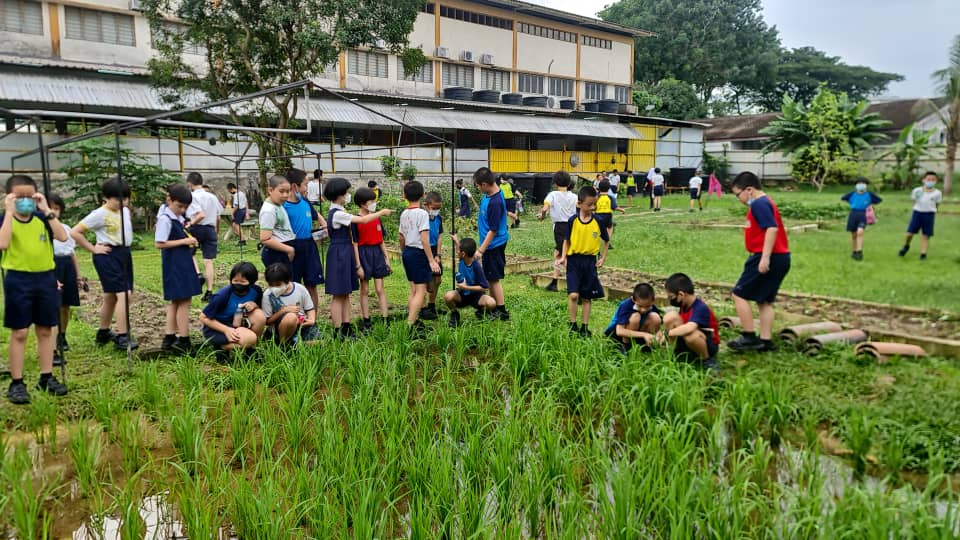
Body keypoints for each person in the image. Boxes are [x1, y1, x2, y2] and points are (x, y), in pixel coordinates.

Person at [1, 175, 69, 404]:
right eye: (18, 197)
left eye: (29, 196)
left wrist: (47, 209)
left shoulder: (42, 218)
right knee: (20, 332)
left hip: (45, 278)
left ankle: (46, 377)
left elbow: (62, 236)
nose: (25, 201)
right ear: (9, 197)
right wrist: (9, 212)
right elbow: (3, 244)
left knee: (46, 330)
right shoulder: (5, 219)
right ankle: (17, 382)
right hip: (18, 280)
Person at [71, 178, 137, 350]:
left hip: (124, 253)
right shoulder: (99, 214)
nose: (122, 202)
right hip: (108, 255)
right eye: (117, 198)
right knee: (124, 294)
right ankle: (123, 336)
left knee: (110, 297)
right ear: (106, 198)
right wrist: (93, 248)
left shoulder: (125, 211)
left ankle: (103, 331)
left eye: (125, 198)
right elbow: (75, 232)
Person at [728, 171, 790, 352]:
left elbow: (771, 228)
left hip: (766, 256)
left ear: (749, 190)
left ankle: (749, 337)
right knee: (764, 300)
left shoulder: (759, 204)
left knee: (738, 294)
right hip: (781, 256)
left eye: (738, 194)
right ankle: (766, 340)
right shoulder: (766, 202)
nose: (738, 199)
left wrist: (764, 257)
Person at [324, 177, 392, 338]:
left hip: (345, 251)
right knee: (338, 294)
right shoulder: (337, 213)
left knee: (345, 292)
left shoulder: (340, 211)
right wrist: (382, 212)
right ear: (339, 194)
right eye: (346, 192)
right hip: (340, 253)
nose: (347, 195)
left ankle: (346, 326)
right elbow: (362, 220)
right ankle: (338, 330)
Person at [155, 184, 202, 353]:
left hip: (180, 261)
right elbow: (159, 243)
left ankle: (169, 336)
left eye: (185, 207)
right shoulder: (165, 219)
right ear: (169, 200)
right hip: (176, 264)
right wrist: (184, 241)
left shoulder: (175, 218)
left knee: (176, 300)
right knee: (184, 300)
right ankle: (183, 339)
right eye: (179, 206)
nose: (182, 210)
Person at [558, 185, 608, 337]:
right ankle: (572, 324)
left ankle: (584, 328)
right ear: (579, 204)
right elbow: (566, 240)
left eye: (595, 204)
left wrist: (602, 258)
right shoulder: (572, 221)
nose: (592, 207)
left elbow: (606, 240)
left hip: (589, 262)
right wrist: (563, 256)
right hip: (574, 261)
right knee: (573, 295)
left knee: (587, 297)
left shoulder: (598, 221)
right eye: (589, 204)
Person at [199, 261, 266, 362]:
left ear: (252, 282)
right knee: (251, 338)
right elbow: (203, 317)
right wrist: (226, 330)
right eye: (235, 281)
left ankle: (250, 351)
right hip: (217, 328)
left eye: (243, 282)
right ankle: (222, 348)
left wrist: (254, 305)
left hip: (237, 321)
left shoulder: (256, 291)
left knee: (259, 315)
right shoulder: (223, 295)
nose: (238, 284)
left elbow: (259, 309)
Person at [399, 180, 441, 331]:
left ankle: (414, 321)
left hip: (408, 252)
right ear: (423, 195)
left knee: (414, 290)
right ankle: (410, 325)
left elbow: (401, 237)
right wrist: (431, 260)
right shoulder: (422, 214)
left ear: (404, 195)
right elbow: (424, 239)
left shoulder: (404, 213)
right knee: (421, 291)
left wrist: (404, 252)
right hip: (418, 253)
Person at [284, 168, 326, 310]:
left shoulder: (305, 201)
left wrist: (324, 225)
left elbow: (316, 215)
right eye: (305, 185)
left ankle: (313, 318)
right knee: (293, 285)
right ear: (295, 186)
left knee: (312, 284)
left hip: (309, 245)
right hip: (292, 247)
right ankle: (296, 317)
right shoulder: (283, 206)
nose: (306, 188)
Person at [47, 194, 83, 363]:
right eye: (50, 208)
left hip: (66, 265)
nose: (53, 212)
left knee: (65, 305)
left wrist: (78, 275)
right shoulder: (41, 230)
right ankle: (51, 342)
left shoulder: (66, 229)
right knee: (53, 305)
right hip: (50, 265)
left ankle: (62, 336)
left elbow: (72, 253)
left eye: (56, 208)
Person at [662, 272, 720, 371]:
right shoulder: (684, 305)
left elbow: (690, 327)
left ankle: (707, 360)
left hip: (707, 344)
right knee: (670, 317)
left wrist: (668, 334)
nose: (670, 300)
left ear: (681, 294)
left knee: (691, 335)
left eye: (671, 297)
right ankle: (673, 353)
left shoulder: (700, 307)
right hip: (689, 341)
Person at [353, 187, 391, 331]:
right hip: (363, 254)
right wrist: (358, 265)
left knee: (380, 288)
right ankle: (366, 320)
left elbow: (381, 240)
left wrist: (386, 258)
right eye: (371, 201)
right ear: (363, 204)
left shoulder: (376, 218)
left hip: (377, 254)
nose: (374, 204)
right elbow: (355, 244)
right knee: (365, 289)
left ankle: (385, 318)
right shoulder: (355, 220)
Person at [475, 167, 510, 320]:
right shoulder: (489, 194)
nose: (477, 187)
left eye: (477, 185)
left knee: (493, 279)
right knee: (490, 277)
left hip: (493, 245)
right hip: (490, 244)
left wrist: (481, 250)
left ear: (484, 184)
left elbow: (493, 229)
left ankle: (501, 311)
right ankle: (491, 306)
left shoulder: (495, 201)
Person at [184, 172, 222, 302]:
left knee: (189, 252)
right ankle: (210, 291)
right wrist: (216, 231)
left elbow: (200, 215)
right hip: (210, 229)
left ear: (189, 183)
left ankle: (197, 274)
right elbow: (218, 216)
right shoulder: (212, 196)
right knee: (208, 261)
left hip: (197, 228)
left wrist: (190, 225)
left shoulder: (192, 196)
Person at [538, 170, 578, 292]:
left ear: (555, 183)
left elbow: (545, 208)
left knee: (563, 256)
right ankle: (554, 281)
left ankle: (575, 283)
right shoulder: (574, 196)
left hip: (560, 227)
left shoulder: (553, 194)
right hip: (573, 226)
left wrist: (542, 215)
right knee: (558, 253)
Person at [444, 235, 495, 327]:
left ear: (463, 253)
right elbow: (459, 250)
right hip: (462, 295)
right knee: (448, 296)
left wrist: (465, 287)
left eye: (459, 250)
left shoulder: (476, 266)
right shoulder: (463, 259)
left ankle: (482, 312)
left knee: (491, 303)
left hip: (476, 296)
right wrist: (456, 241)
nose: (457, 252)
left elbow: (485, 287)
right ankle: (455, 314)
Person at [261, 262, 318, 344]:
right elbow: (267, 321)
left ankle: (294, 343)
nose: (274, 288)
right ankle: (284, 344)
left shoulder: (300, 289)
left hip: (302, 325)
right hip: (281, 327)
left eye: (278, 284)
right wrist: (284, 311)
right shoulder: (268, 295)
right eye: (271, 285)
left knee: (320, 343)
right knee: (290, 317)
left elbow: (309, 308)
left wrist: (311, 320)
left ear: (287, 281)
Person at [604, 282, 662, 353]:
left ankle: (648, 345)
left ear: (653, 301)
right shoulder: (626, 306)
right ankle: (626, 346)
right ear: (633, 299)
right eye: (640, 306)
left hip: (637, 332)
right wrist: (644, 335)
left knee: (655, 317)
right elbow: (619, 331)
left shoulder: (652, 307)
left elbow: (659, 327)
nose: (643, 310)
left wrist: (658, 335)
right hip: (616, 335)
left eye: (647, 306)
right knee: (635, 317)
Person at [899, 171, 942, 260]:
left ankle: (923, 254)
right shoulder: (917, 190)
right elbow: (914, 201)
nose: (930, 181)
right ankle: (906, 246)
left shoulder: (937, 193)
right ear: (923, 180)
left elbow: (937, 204)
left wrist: (933, 211)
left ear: (936, 181)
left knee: (926, 235)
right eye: (928, 179)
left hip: (929, 214)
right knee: (909, 233)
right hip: (917, 213)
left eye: (933, 180)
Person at [259, 175, 296, 271]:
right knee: (281, 284)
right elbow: (265, 239)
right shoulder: (269, 210)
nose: (285, 195)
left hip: (283, 249)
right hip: (276, 253)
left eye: (288, 191)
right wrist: (289, 249)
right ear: (270, 190)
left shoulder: (278, 204)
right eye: (281, 191)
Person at [841, 178, 883, 260]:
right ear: (856, 185)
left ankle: (859, 251)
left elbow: (878, 200)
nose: (861, 185)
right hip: (853, 214)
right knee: (853, 235)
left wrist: (870, 206)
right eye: (859, 183)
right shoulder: (852, 194)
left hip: (863, 214)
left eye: (863, 183)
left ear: (866, 185)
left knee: (860, 232)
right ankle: (854, 252)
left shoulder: (869, 195)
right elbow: (843, 198)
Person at [421, 191, 444, 320]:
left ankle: (432, 304)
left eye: (438, 208)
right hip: (424, 250)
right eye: (434, 208)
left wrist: (438, 254)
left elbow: (440, 236)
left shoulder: (438, 219)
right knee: (425, 282)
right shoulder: (422, 217)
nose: (436, 211)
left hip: (435, 250)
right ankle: (423, 306)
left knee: (438, 279)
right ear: (426, 205)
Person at [595, 180, 625, 249]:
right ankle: (607, 241)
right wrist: (622, 210)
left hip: (597, 215)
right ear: (609, 188)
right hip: (607, 215)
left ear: (599, 188)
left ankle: (594, 241)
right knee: (610, 227)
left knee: (597, 230)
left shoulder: (596, 197)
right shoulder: (611, 197)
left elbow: (593, 206)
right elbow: (614, 207)